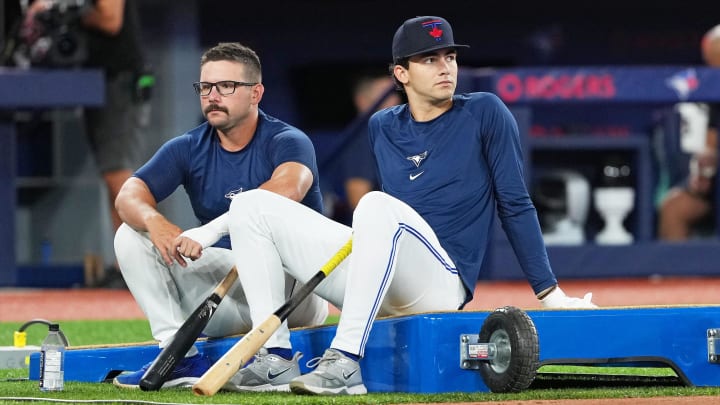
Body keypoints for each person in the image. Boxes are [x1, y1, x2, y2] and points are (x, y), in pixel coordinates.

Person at [179, 16, 596, 396]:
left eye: (449, 56)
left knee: (376, 204)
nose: (445, 66)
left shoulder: (486, 112)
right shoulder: (383, 126)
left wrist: (550, 294)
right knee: (254, 204)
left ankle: (344, 362)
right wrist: (212, 230)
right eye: (429, 59)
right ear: (401, 73)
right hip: (384, 274)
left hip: (439, 283)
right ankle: (275, 358)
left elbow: (516, 203)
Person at [110, 42, 329, 389]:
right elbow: (128, 195)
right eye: (205, 87)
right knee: (130, 233)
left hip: (293, 294)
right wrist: (156, 222)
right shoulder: (187, 147)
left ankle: (275, 353)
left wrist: (209, 231)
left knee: (255, 220)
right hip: (232, 290)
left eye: (227, 86)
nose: (213, 96)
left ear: (256, 93)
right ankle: (177, 355)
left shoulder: (288, 140)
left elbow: (288, 189)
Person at [22, 0, 151, 288]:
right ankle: (127, 268)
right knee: (112, 175)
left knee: (119, 175)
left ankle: (149, 267)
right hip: (102, 79)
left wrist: (66, 11)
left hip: (122, 78)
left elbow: (110, 19)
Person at [658, 24, 720, 241]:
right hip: (712, 191)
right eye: (714, 59)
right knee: (674, 209)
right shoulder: (710, 97)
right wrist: (705, 168)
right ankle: (672, 275)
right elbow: (710, 146)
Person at [340, 74, 401, 211]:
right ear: (362, 101)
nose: (396, 100)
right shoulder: (363, 139)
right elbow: (358, 199)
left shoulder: (399, 135)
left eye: (394, 94)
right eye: (386, 96)